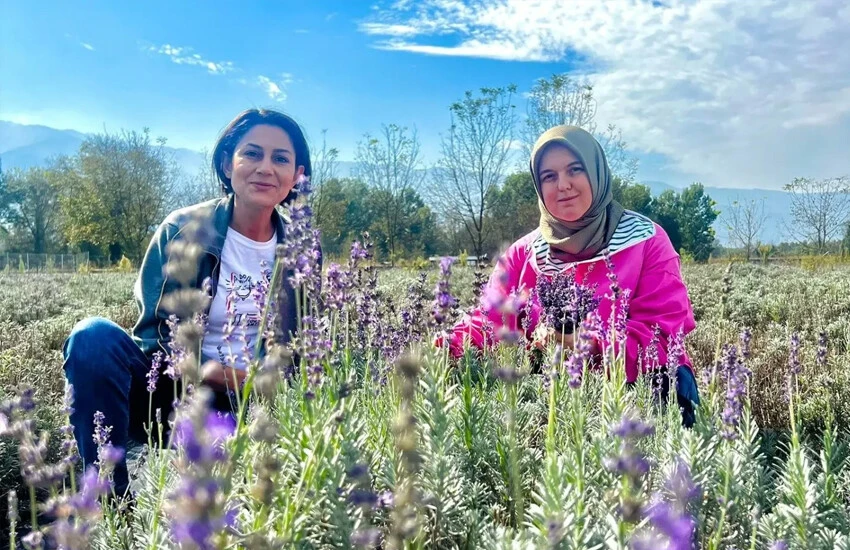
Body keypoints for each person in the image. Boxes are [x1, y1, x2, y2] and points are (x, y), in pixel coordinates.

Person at [62, 108, 315, 495]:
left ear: (297, 176)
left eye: (281, 158)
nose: (265, 167)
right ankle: (107, 499)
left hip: (261, 403)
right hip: (177, 391)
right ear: (228, 164)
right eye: (252, 153)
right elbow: (158, 339)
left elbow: (305, 347)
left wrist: (265, 384)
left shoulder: (302, 251)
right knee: (92, 338)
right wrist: (222, 374)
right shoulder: (183, 230)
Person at [439, 125, 700, 425]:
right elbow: (489, 322)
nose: (562, 185)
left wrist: (588, 344)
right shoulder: (524, 253)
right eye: (549, 176)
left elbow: (664, 338)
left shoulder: (646, 240)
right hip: (554, 398)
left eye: (574, 170)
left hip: (639, 392)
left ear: (596, 172)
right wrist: (442, 350)